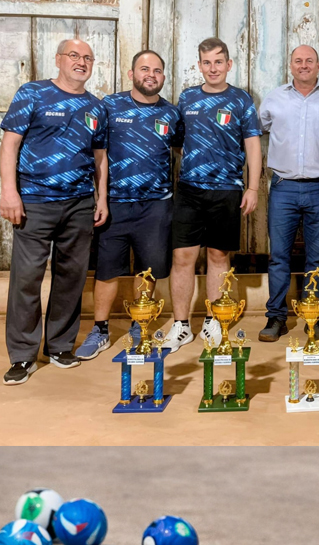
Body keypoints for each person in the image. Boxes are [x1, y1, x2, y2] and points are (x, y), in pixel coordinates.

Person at [0, 38, 108, 385]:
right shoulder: (32, 93)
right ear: (59, 59)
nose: (81, 62)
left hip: (79, 203)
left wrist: (101, 198)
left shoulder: (96, 107)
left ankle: (60, 346)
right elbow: (10, 144)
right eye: (74, 55)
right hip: (34, 201)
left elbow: (100, 157)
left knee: (71, 277)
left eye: (87, 58)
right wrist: (8, 192)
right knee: (26, 279)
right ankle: (22, 355)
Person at [75, 50, 183, 360]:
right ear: (131, 74)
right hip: (114, 205)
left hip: (157, 206)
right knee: (107, 271)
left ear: (163, 76)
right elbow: (97, 152)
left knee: (147, 270)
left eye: (157, 70)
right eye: (144, 69)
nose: (151, 75)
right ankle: (100, 330)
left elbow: (180, 151)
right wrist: (101, 198)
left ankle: (140, 324)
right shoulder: (109, 106)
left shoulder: (171, 113)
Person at [162, 37, 262, 354]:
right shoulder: (187, 97)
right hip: (189, 190)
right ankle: (181, 325)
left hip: (227, 190)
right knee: (182, 257)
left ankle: (214, 320)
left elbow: (253, 146)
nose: (213, 68)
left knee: (218, 256)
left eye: (218, 61)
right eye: (207, 62)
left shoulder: (241, 100)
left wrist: (253, 187)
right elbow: (178, 141)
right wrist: (200, 162)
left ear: (228, 64)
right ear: (199, 65)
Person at [257, 45, 319, 342]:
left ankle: (315, 316)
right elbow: (256, 132)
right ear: (291, 65)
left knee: (317, 258)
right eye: (298, 60)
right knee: (278, 257)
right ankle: (276, 318)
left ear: (318, 65)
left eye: (309, 60)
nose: (304, 65)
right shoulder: (274, 98)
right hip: (283, 187)